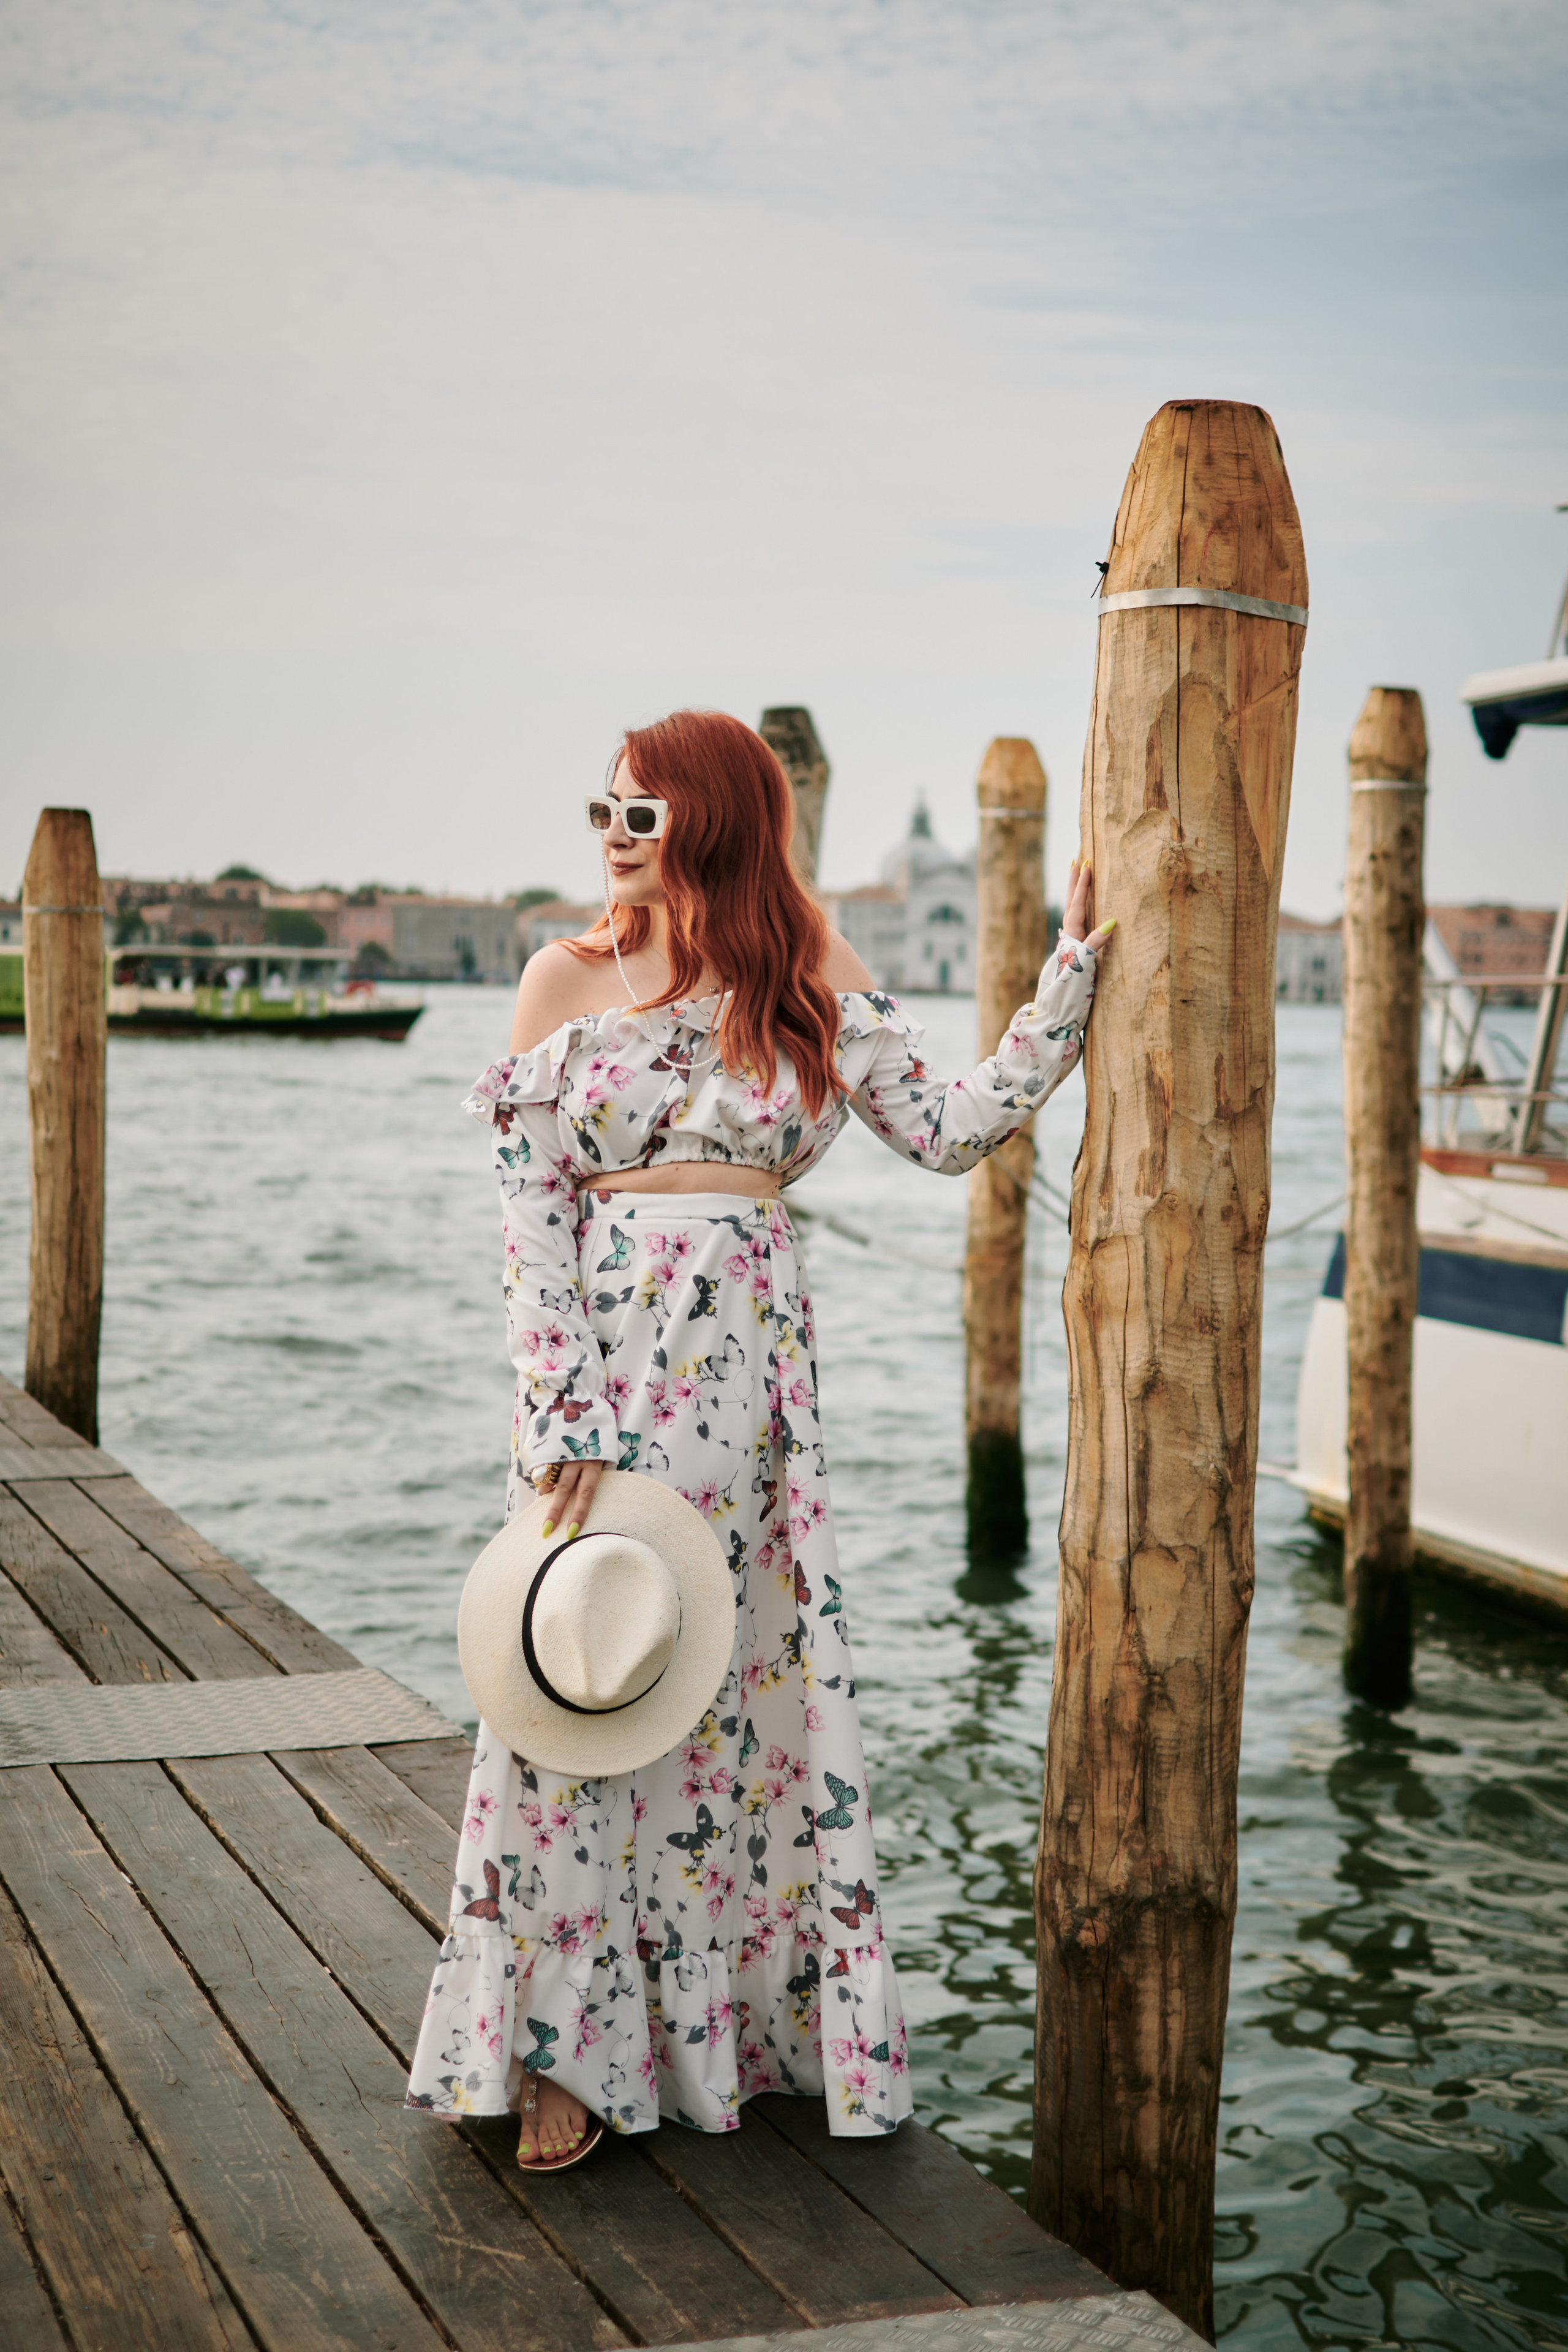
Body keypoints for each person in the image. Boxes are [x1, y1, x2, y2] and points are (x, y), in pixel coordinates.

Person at [406, 709, 1110, 2168]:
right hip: (605, 1392)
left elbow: (951, 1127)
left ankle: (739, 2028)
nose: (612, 831)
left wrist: (1068, 980)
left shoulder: (803, 978)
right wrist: (560, 1412)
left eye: (642, 811)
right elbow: (531, 1214)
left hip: (754, 1407)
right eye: (600, 806)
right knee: (577, 1698)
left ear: (714, 821)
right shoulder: (561, 978)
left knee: (738, 1717)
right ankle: (556, 2055)